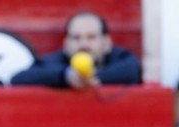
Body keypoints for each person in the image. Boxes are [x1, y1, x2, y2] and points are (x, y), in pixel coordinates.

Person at [10, 11, 141, 88]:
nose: (83, 44)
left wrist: (94, 79)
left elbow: (133, 69)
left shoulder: (122, 59)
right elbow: (20, 78)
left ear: (106, 43)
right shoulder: (55, 61)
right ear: (66, 44)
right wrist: (66, 77)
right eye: (76, 38)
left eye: (91, 37)